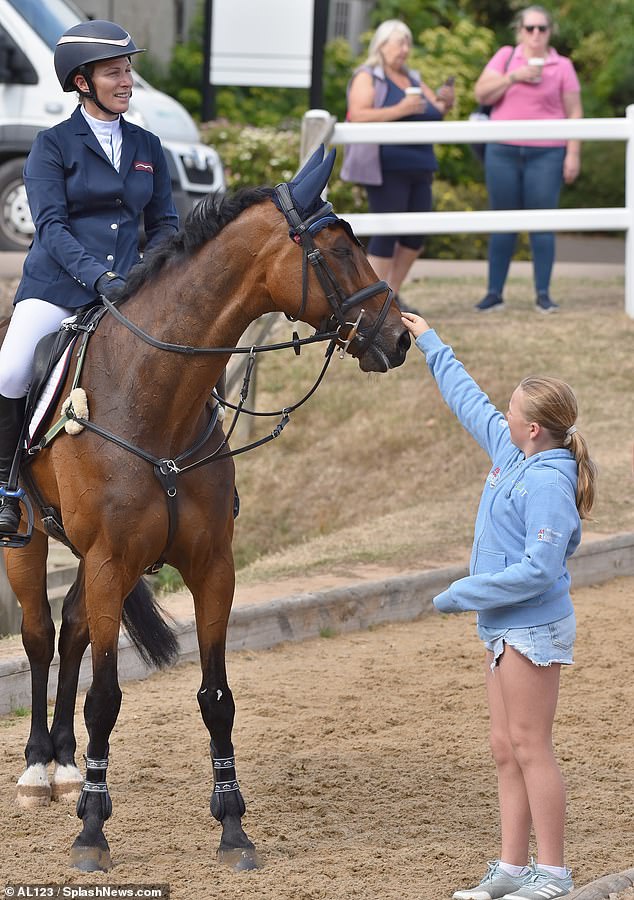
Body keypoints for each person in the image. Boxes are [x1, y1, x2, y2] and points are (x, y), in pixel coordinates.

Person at [401, 310, 597, 900]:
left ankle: (554, 873)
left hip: (532, 628)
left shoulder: (547, 482)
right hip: (504, 629)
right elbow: (469, 400)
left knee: (532, 745)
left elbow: (540, 569)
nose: (502, 413)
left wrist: (461, 594)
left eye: (513, 409)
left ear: (534, 428)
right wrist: (431, 342)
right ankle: (512, 867)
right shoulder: (515, 454)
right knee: (504, 744)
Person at [0, 20, 178, 535]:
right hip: (58, 289)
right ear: (83, 82)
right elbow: (51, 227)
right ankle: (8, 486)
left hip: (127, 292)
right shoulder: (51, 145)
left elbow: (164, 224)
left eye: (128, 69)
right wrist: (98, 277)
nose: (126, 80)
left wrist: (148, 276)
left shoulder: (147, 145)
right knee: (11, 369)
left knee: (185, 352)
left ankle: (204, 475)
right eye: (114, 72)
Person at [473, 5, 582, 314]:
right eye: (530, 28)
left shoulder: (563, 66)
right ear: (520, 30)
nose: (535, 34)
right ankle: (494, 293)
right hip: (502, 151)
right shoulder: (506, 57)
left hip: (547, 153)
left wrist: (573, 153)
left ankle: (543, 294)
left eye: (541, 29)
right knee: (502, 223)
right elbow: (481, 93)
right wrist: (513, 77)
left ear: (550, 32)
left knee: (543, 224)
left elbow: (575, 112)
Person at [340, 19, 455, 312]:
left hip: (421, 165)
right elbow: (359, 114)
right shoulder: (368, 76)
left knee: (415, 235)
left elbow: (433, 111)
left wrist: (444, 103)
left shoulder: (413, 77)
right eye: (399, 42)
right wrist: (399, 110)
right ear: (381, 45)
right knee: (388, 232)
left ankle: (392, 294)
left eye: (408, 43)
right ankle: (373, 301)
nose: (405, 49)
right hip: (385, 167)